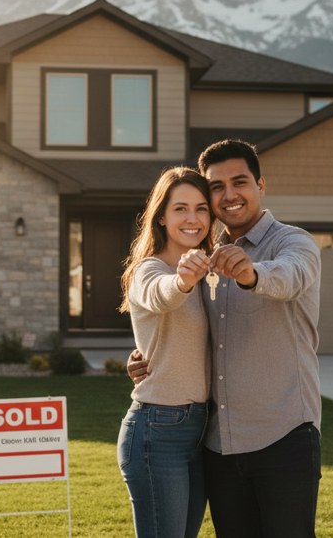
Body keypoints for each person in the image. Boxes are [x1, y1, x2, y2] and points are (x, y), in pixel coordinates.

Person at [128, 140, 322, 538]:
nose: (229, 195)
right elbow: (166, 305)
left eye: (240, 182)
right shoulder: (205, 258)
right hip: (217, 445)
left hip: (283, 437)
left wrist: (252, 275)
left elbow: (291, 276)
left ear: (260, 185)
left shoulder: (293, 242)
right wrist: (148, 354)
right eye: (217, 187)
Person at [116, 166, 216, 538]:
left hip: (201, 431)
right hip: (157, 432)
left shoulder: (210, 272)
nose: (193, 218)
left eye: (202, 208)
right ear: (161, 216)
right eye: (181, 208)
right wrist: (183, 280)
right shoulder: (149, 269)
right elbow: (160, 294)